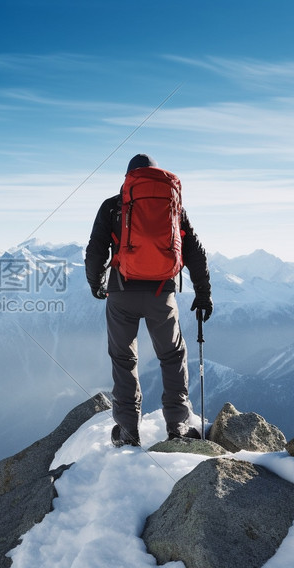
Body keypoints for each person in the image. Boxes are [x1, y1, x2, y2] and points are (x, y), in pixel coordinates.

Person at [85, 153, 212, 447]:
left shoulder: (114, 206)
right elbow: (195, 251)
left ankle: (128, 429)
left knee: (124, 359)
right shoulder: (173, 207)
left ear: (128, 179)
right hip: (162, 293)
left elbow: (95, 250)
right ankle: (178, 424)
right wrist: (203, 293)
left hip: (121, 292)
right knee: (171, 356)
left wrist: (96, 283)